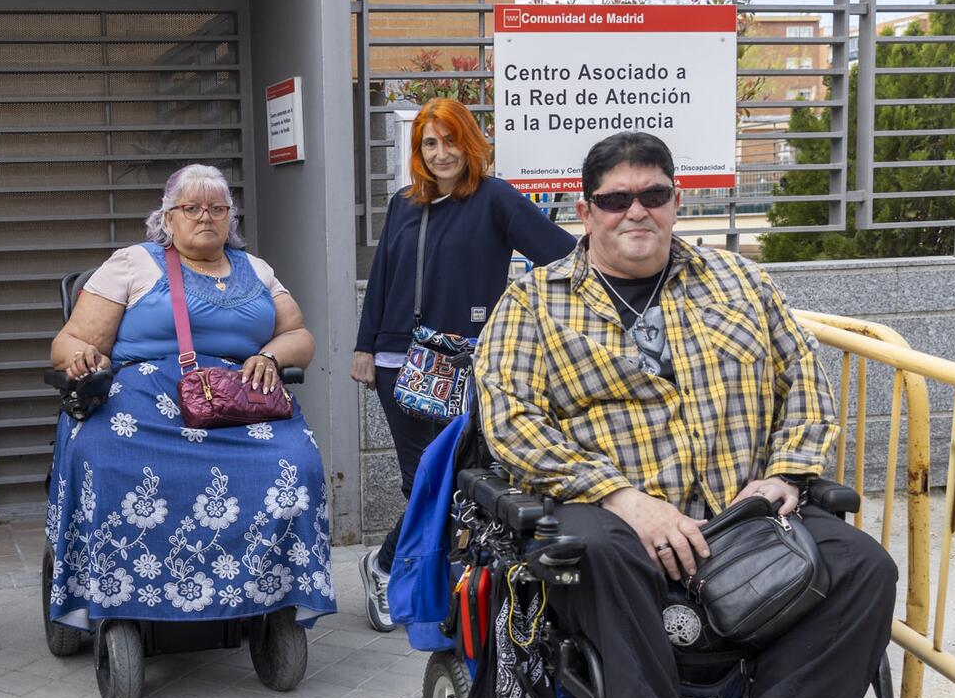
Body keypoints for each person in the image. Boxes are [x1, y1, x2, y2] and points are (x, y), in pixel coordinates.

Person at [474, 131, 897, 698]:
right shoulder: (534, 301)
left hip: (743, 524)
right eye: (615, 198)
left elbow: (804, 381)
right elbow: (510, 421)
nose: (636, 210)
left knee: (865, 567)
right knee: (595, 550)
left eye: (654, 194)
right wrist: (623, 497)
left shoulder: (739, 281)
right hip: (615, 522)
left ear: (678, 199)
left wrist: (787, 472)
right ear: (584, 209)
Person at [46, 164, 336, 632]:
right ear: (168, 217)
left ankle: (273, 587)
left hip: (238, 401)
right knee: (101, 456)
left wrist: (271, 357)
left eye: (217, 208)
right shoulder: (134, 263)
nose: (206, 216)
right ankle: (116, 592)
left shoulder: (256, 270)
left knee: (297, 464)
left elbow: (298, 333)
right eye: (192, 207)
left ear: (230, 218)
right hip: (142, 404)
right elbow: (69, 341)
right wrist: (83, 358)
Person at [352, 97, 575, 629]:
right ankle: (398, 575)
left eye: (450, 141)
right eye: (430, 143)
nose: (441, 152)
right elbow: (382, 275)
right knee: (421, 480)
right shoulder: (406, 203)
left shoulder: (495, 198)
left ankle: (385, 563)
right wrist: (363, 348)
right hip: (396, 361)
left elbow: (564, 257)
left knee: (451, 480)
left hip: (462, 364)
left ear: (469, 143)